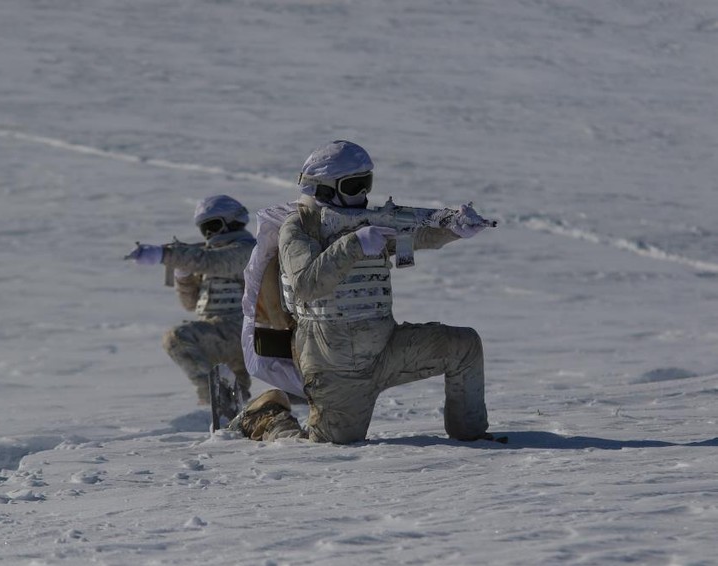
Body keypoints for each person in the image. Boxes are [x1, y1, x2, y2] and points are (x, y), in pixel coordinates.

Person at [234, 140, 493, 444]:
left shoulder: (366, 224)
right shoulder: (300, 227)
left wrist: (452, 229)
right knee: (327, 445)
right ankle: (266, 416)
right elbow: (306, 285)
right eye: (355, 185)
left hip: (386, 348)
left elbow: (413, 236)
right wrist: (354, 245)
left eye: (366, 184)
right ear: (325, 188)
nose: (364, 195)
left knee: (464, 346)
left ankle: (472, 436)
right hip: (335, 365)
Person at [125, 195, 255, 405]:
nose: (210, 234)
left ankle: (213, 396)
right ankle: (231, 415)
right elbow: (190, 304)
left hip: (243, 329)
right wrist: (183, 277)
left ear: (232, 221)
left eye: (213, 225)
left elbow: (216, 262)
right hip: (218, 333)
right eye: (205, 229)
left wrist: (165, 254)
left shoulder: (248, 250)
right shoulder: (207, 257)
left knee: (177, 338)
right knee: (237, 399)